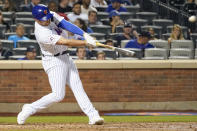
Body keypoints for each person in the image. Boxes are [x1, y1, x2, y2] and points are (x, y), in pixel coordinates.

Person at [17, 4, 104, 125]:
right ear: (36, 19)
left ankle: (93, 115)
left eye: (47, 17)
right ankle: (30, 108)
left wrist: (84, 34)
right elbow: (65, 41)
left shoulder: (50, 15)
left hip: (66, 56)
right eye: (43, 19)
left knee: (78, 87)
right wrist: (86, 43)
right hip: (53, 61)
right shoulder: (41, 33)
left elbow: (65, 24)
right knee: (58, 95)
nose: (47, 20)